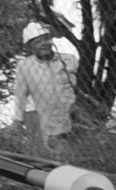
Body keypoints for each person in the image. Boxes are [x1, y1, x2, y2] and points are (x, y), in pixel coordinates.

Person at [11, 20, 77, 157]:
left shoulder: (68, 61)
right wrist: (17, 119)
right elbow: (20, 94)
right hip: (37, 114)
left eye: (46, 39)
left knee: (66, 153)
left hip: (65, 111)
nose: (43, 44)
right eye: (37, 41)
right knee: (41, 155)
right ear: (30, 47)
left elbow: (75, 87)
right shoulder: (25, 66)